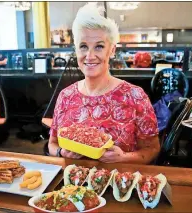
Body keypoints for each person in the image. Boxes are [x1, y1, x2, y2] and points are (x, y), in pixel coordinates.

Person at [48, 3, 160, 164]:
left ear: (112, 50)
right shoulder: (65, 96)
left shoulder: (135, 96)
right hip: (72, 185)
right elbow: (52, 143)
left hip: (118, 184)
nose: (90, 55)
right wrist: (60, 152)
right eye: (83, 46)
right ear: (76, 50)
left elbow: (153, 149)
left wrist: (123, 158)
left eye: (99, 46)